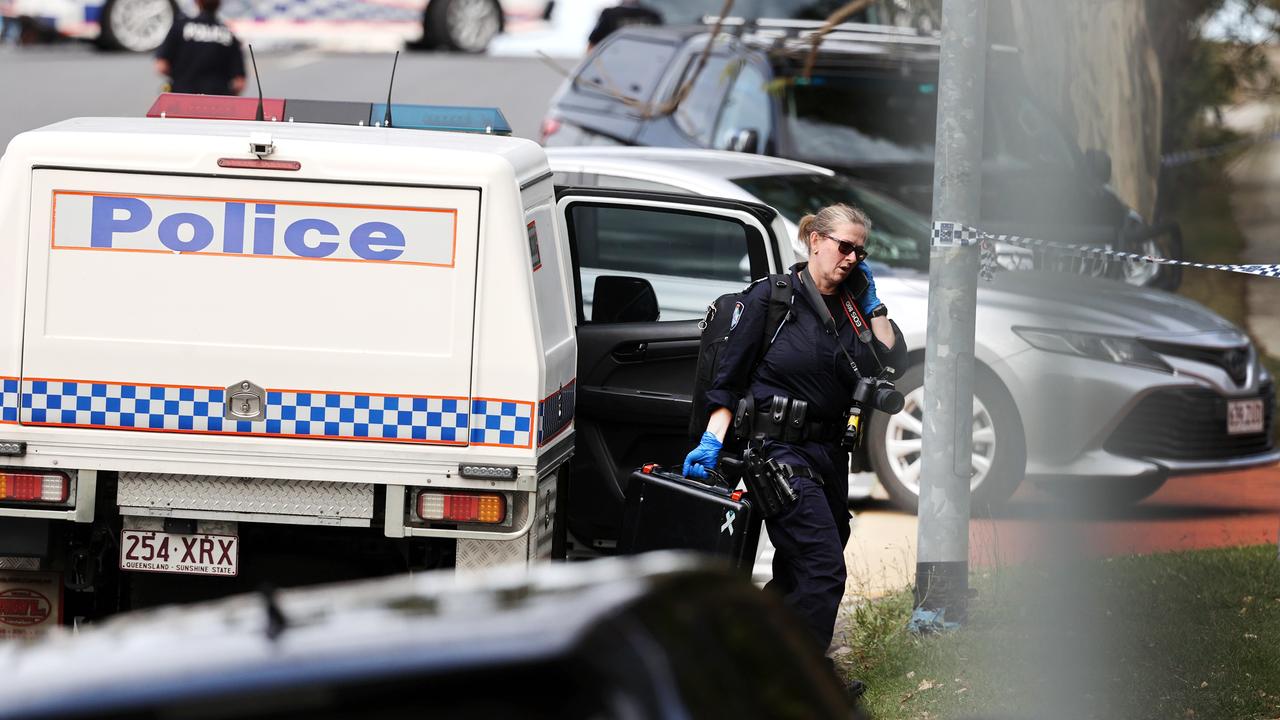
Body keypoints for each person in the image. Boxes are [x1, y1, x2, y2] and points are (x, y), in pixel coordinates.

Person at [683, 203, 905, 695]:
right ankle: (802, 688)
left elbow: (891, 359)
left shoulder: (853, 305)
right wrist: (712, 442)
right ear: (815, 242)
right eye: (844, 246)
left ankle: (748, 664)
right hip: (777, 454)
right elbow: (728, 380)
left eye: (859, 251)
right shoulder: (772, 300)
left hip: (829, 455)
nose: (851, 258)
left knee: (795, 574)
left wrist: (875, 307)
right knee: (823, 569)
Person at [155, 0, 246, 96]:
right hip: (216, 103)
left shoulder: (180, 27)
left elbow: (162, 66)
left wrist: (180, 78)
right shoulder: (228, 34)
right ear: (219, 3)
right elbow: (239, 82)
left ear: (197, 2)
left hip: (181, 100)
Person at [586, 0, 661, 51]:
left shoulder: (610, 14)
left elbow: (592, 45)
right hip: (648, 67)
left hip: (613, 63)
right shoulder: (653, 15)